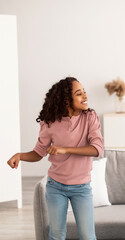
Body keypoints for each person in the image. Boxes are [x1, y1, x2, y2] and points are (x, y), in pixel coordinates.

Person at [7, 77, 103, 240]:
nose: (85, 96)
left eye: (84, 92)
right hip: (56, 186)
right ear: (66, 100)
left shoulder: (90, 117)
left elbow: (97, 150)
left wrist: (64, 149)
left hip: (82, 188)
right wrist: (20, 156)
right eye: (79, 93)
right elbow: (39, 153)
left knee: (88, 236)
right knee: (56, 235)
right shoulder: (50, 122)